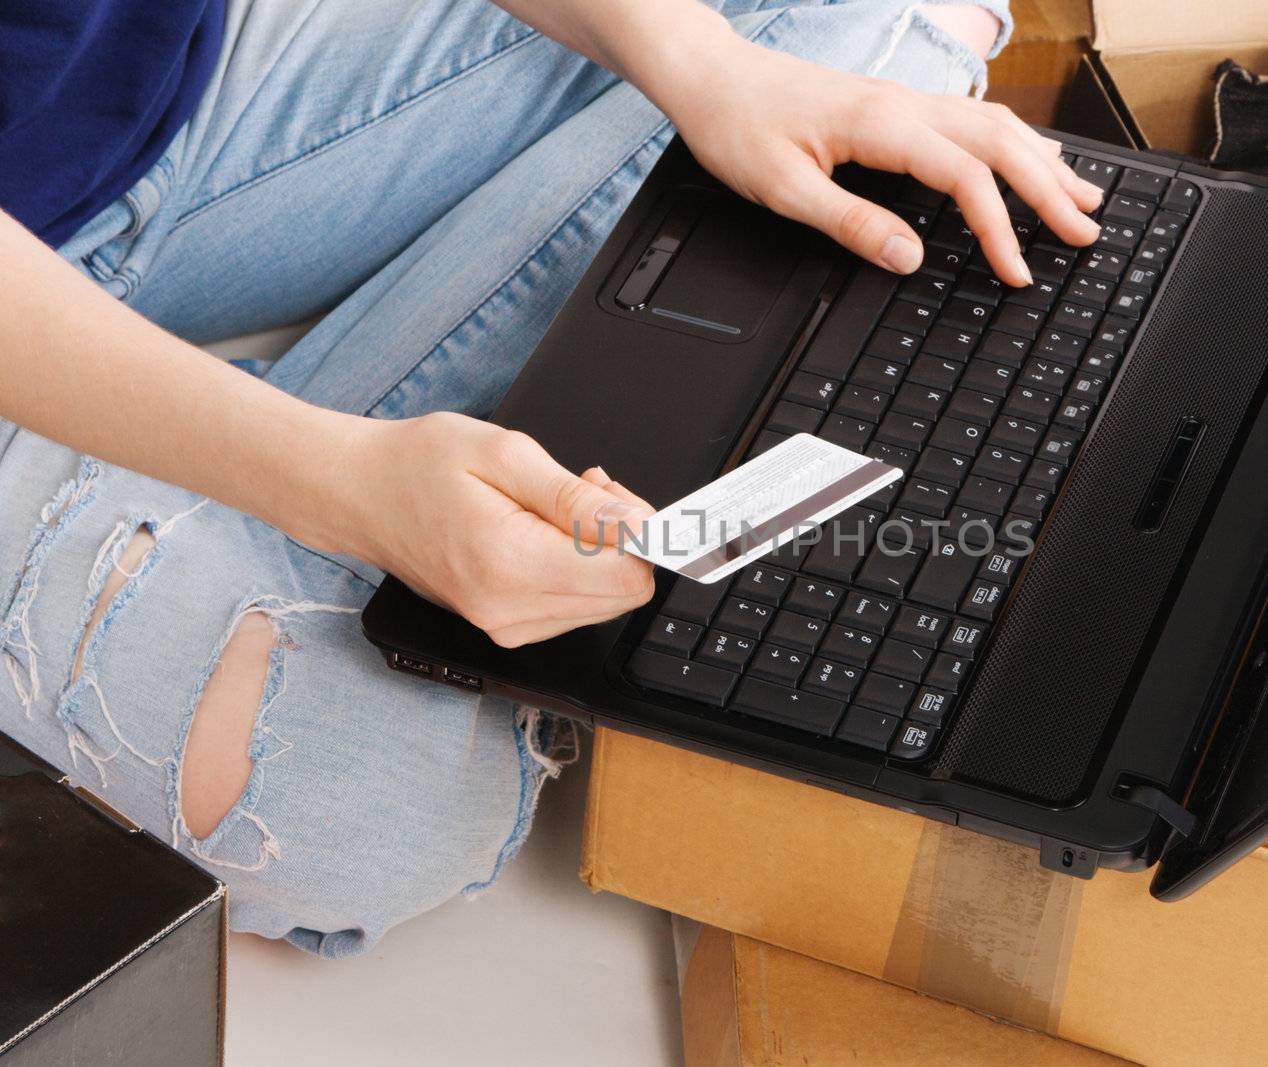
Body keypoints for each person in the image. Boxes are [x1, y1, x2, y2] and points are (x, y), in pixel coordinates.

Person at [0, 0, 1101, 957]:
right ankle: (301, 493)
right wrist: (334, 477)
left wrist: (705, 66)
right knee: (362, 800)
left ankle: (278, 501)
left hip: (155, 115)